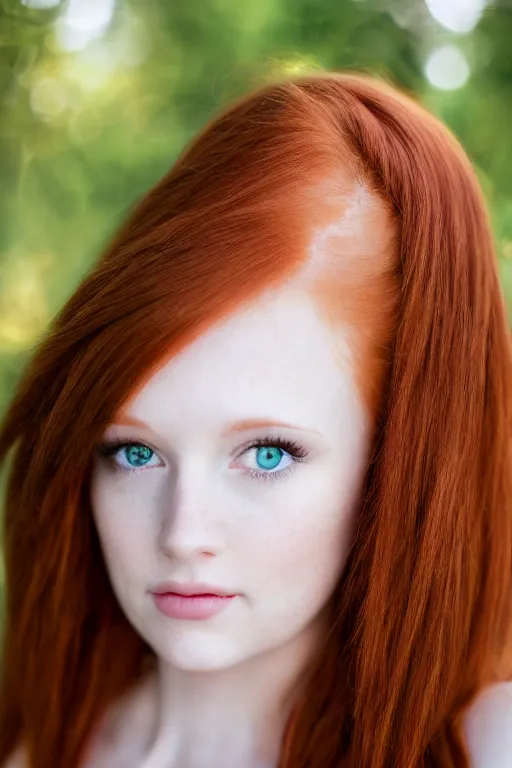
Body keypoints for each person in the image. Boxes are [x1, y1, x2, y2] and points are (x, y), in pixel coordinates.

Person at [0, 70, 511, 768]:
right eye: (132, 452)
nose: (182, 534)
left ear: (399, 455)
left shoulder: (485, 746)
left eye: (268, 453)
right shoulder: (33, 741)